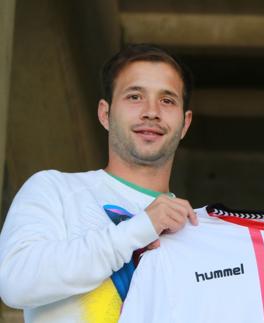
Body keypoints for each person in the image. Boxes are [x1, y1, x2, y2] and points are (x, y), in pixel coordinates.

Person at [0, 44, 197, 323]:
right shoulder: (55, 190)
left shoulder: (195, 231)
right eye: (135, 96)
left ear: (185, 123)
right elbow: (15, 281)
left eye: (167, 100)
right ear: (105, 114)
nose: (151, 112)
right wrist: (139, 229)